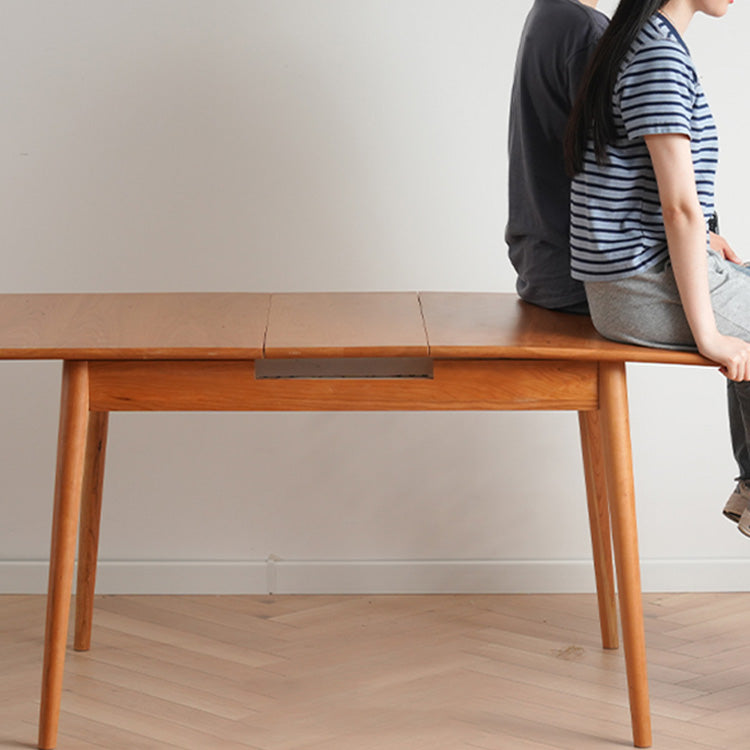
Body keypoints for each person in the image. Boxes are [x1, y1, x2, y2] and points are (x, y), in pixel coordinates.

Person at [564, 0, 750, 534]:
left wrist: (707, 237)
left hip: (634, 278)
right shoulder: (658, 54)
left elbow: (646, 190)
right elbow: (679, 207)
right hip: (638, 287)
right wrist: (709, 335)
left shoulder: (637, 41)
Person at [506, 0, 608, 314]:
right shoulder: (585, 29)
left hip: (542, 266)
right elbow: (618, 171)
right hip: (581, 277)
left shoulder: (546, 14)